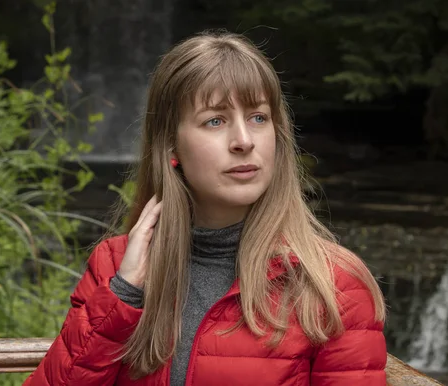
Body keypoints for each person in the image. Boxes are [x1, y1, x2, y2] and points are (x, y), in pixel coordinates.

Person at [23, 30, 387, 386]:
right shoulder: (114, 267)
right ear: (171, 147)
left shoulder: (334, 286)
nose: (244, 141)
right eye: (215, 120)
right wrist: (124, 295)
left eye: (258, 117)